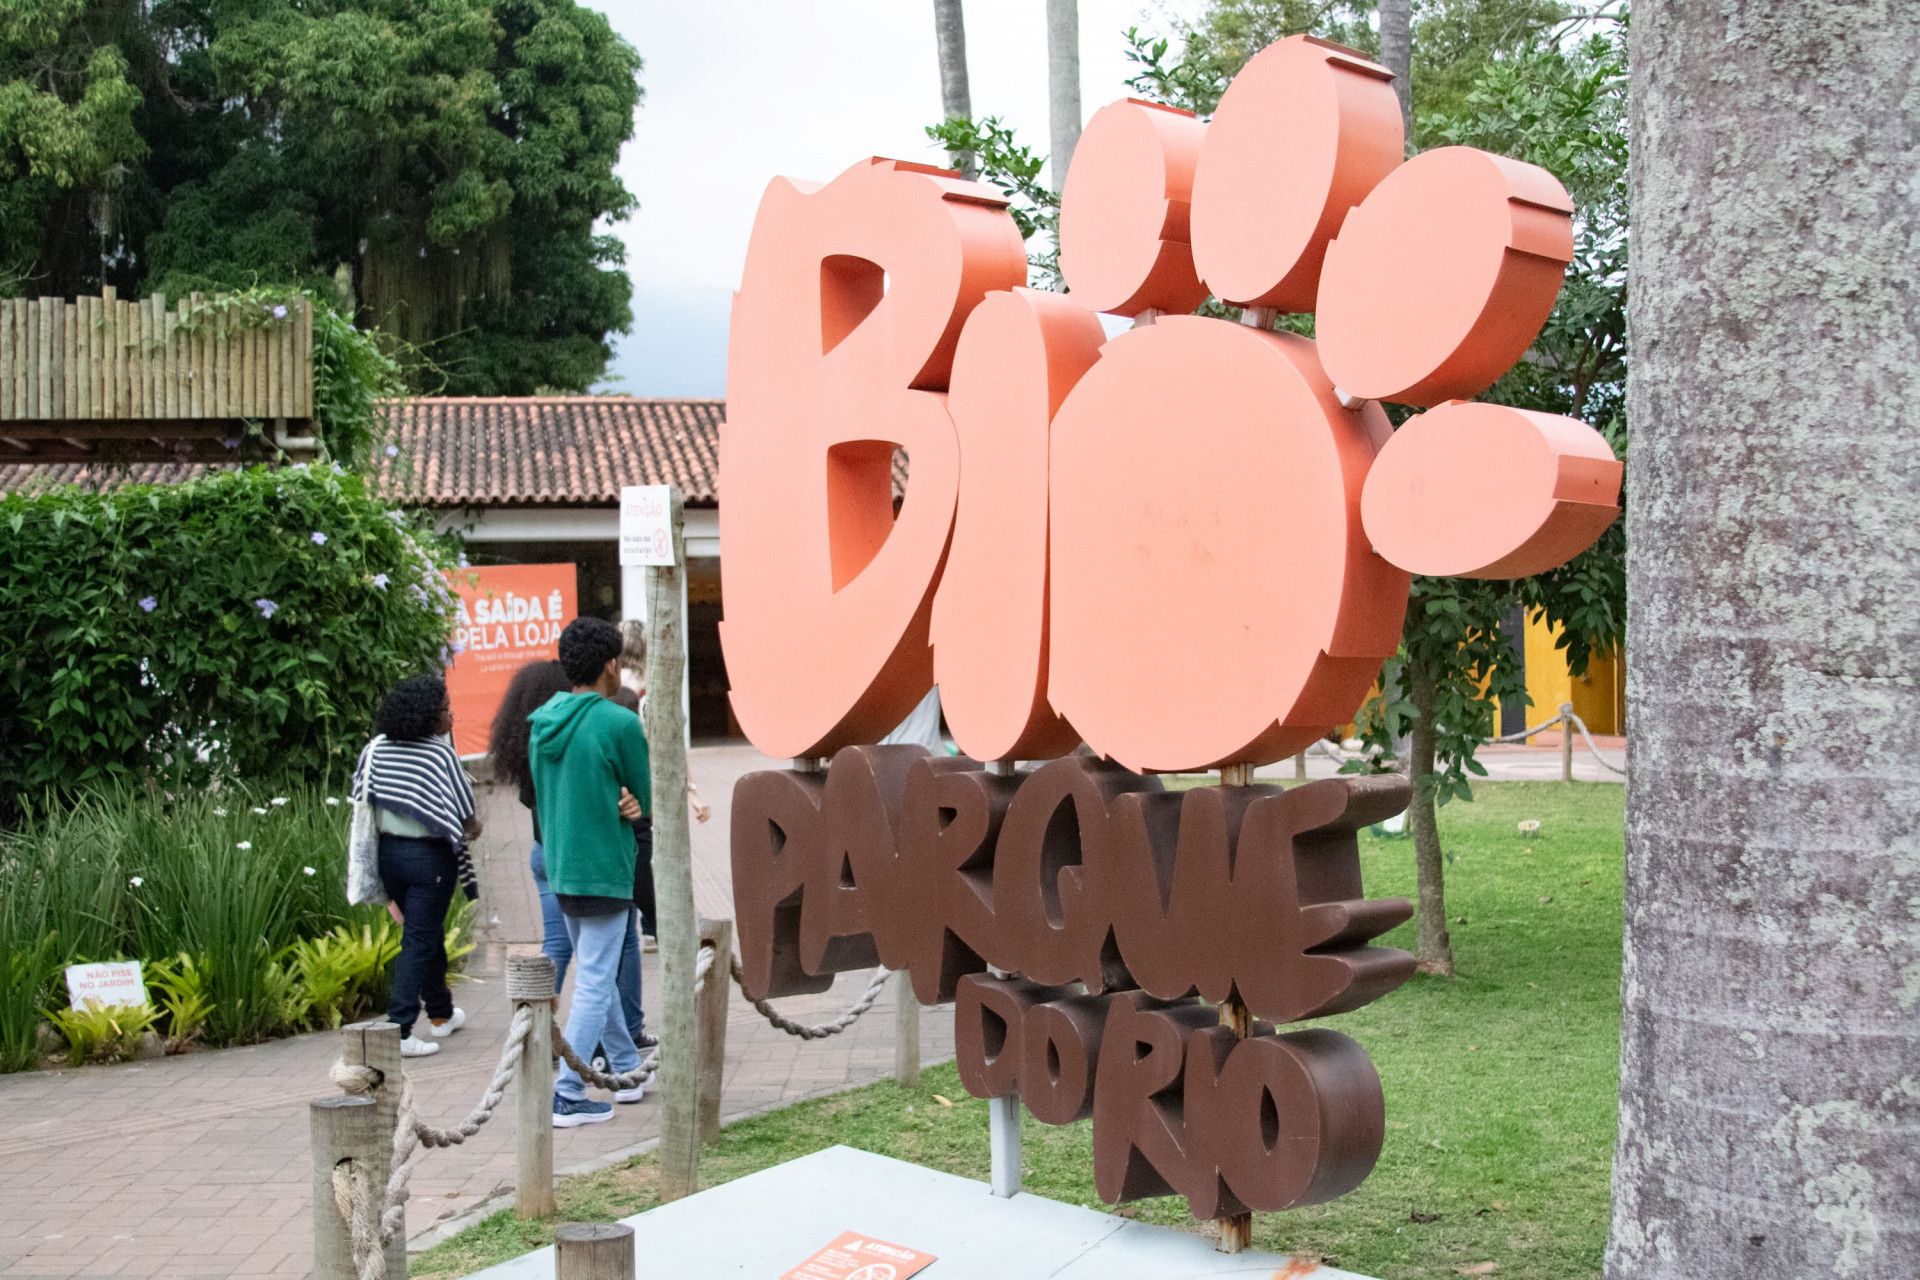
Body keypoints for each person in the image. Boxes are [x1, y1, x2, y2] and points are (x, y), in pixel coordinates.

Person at [489, 659, 652, 1050]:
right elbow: (637, 795)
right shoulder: (593, 728)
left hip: (547, 855)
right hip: (588, 860)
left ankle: (598, 1051)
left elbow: (531, 799)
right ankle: (575, 1082)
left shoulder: (539, 733)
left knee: (563, 947)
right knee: (607, 962)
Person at [530, 617, 652, 1127]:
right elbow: (645, 796)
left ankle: (624, 1067)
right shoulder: (619, 722)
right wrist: (628, 804)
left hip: (562, 869)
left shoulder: (540, 721)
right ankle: (568, 1091)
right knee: (597, 981)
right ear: (611, 666)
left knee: (593, 973)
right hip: (606, 867)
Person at [352, 674, 481, 1058]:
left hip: (388, 856)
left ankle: (441, 1014)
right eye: (445, 709)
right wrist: (473, 828)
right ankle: (400, 1028)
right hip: (429, 860)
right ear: (427, 714)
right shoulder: (438, 754)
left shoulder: (375, 749)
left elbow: (364, 798)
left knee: (425, 933)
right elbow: (466, 816)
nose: (450, 716)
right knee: (419, 940)